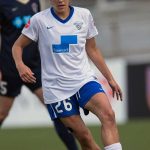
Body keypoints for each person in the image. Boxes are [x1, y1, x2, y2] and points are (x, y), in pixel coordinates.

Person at [12, 0, 123, 150]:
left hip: (84, 80)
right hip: (57, 89)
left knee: (108, 115)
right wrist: (20, 65)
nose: (60, 0)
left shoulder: (84, 15)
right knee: (84, 138)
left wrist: (110, 79)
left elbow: (93, 49)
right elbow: (17, 46)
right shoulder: (39, 20)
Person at [0, 0, 79, 150]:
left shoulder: (35, 2)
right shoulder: (3, 3)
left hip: (36, 67)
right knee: (2, 114)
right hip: (10, 67)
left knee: (57, 111)